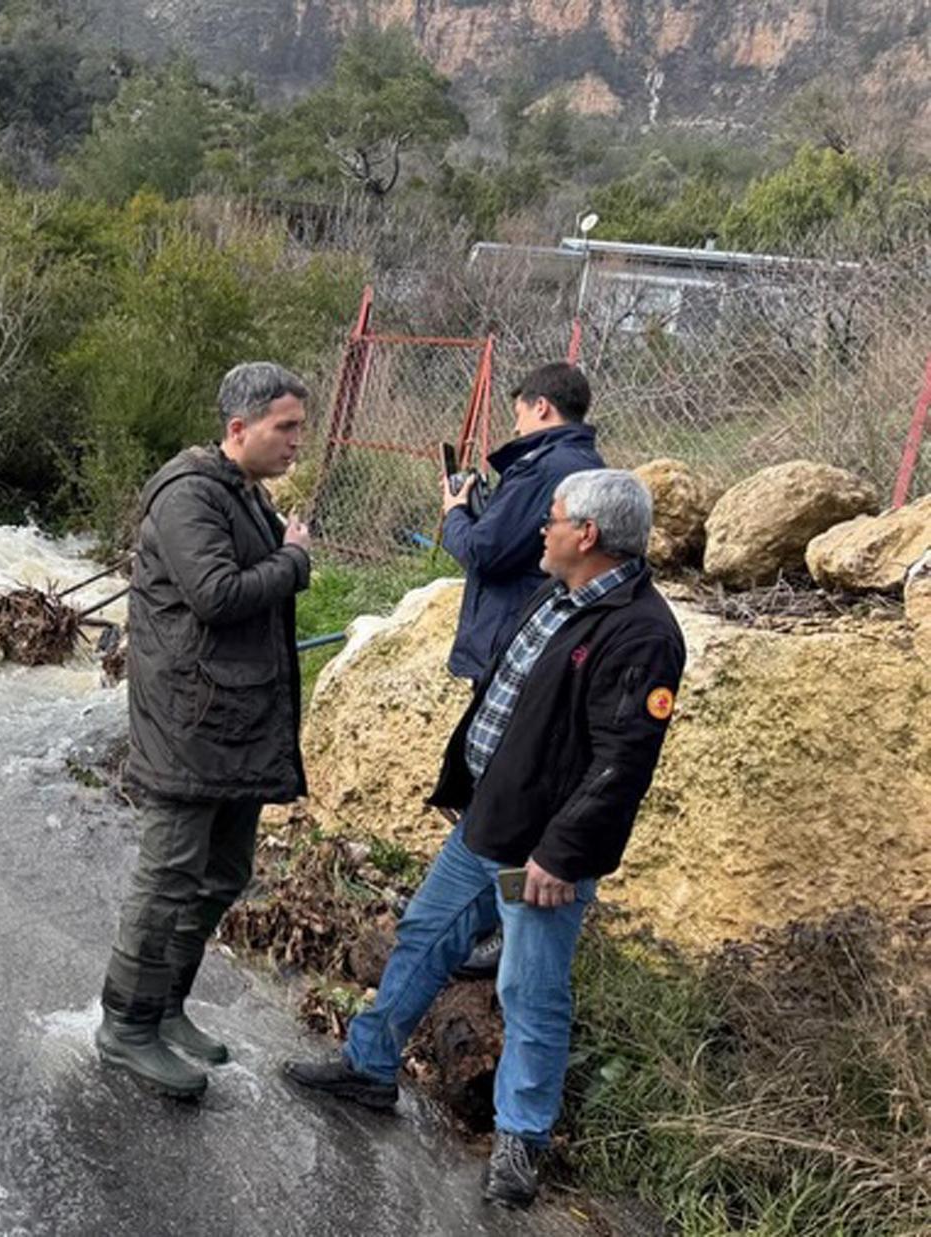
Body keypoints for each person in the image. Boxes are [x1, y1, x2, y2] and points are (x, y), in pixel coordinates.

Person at [285, 469, 687, 1210]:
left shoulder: (643, 633)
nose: (543, 526)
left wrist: (563, 855)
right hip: (487, 824)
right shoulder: (557, 594)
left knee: (530, 992)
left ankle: (521, 1139)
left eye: (554, 517)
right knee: (424, 936)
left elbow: (622, 763)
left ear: (588, 535)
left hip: (542, 853)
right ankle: (368, 1067)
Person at [99, 362, 314, 1100]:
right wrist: (294, 559)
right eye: (285, 427)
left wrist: (281, 547)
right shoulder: (190, 493)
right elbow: (218, 595)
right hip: (189, 720)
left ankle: (166, 1006)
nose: (296, 442)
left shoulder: (242, 491)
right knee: (169, 875)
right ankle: (126, 1027)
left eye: (299, 428)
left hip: (235, 717)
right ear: (238, 429)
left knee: (224, 872)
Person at [444, 363, 606, 982]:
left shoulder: (548, 468)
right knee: (503, 792)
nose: (513, 421)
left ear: (541, 407)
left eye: (517, 411)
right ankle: (485, 924)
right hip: (532, 639)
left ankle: (494, 930)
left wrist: (456, 512)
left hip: (517, 642)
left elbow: (486, 551)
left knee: (503, 796)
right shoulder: (582, 466)